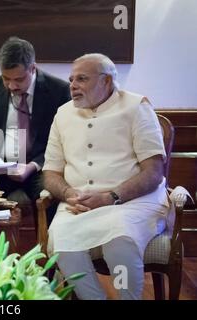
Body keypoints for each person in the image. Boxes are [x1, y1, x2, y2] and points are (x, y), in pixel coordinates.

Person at [43, 53, 170, 300]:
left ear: (107, 82)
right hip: (78, 204)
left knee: (119, 241)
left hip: (132, 202)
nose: (73, 86)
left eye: (82, 79)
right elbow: (51, 172)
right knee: (64, 245)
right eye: (71, 79)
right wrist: (69, 194)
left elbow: (154, 172)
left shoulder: (136, 107)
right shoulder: (63, 114)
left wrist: (111, 197)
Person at [0, 36, 70, 221]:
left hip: (39, 168)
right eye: (6, 78)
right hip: (0, 167)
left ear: (33, 68)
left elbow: (65, 141)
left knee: (50, 196)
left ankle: (45, 249)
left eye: (18, 79)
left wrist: (32, 166)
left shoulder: (59, 91)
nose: (11, 86)